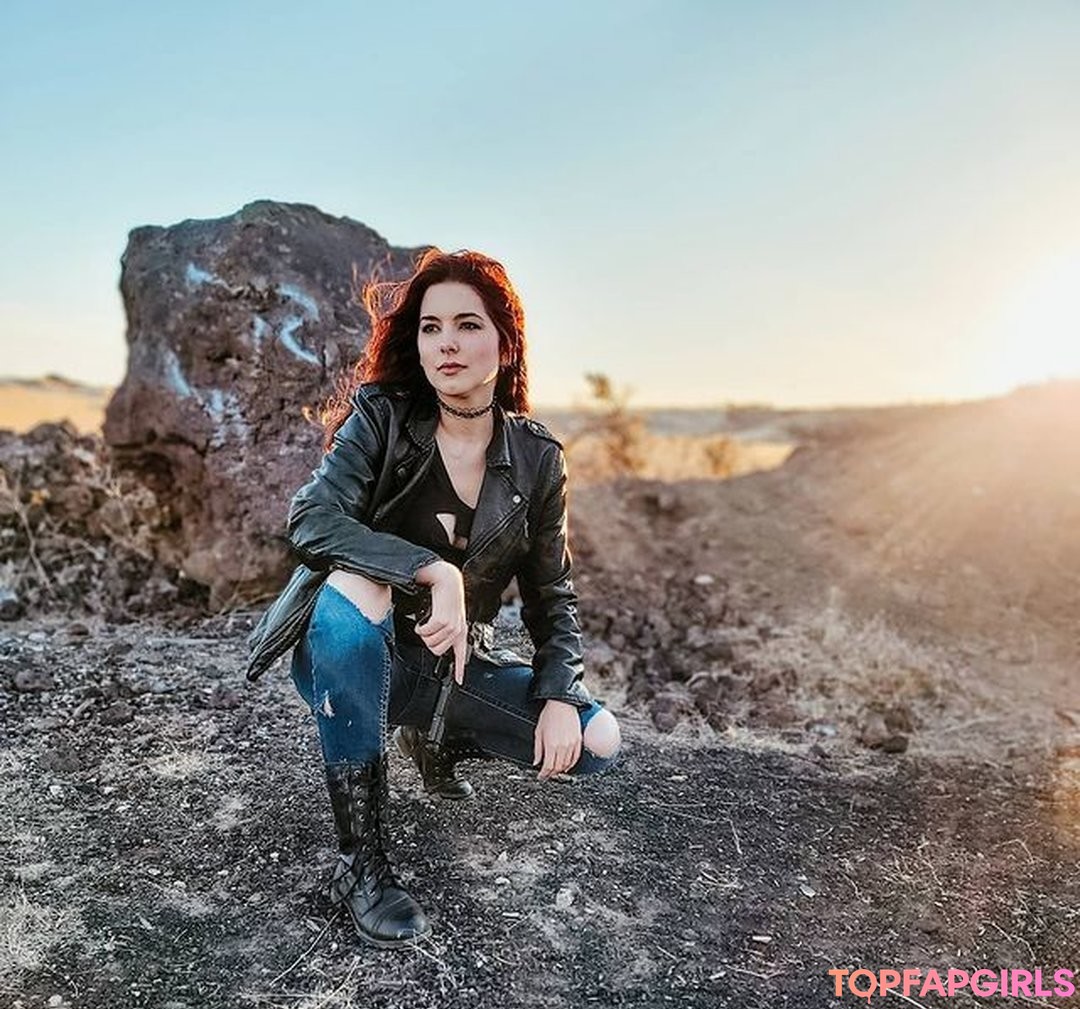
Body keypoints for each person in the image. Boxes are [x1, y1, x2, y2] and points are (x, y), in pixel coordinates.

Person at [245, 248, 622, 949]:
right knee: (357, 580)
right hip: (353, 649)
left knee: (598, 741)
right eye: (431, 327)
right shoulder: (381, 416)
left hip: (447, 666)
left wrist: (560, 693)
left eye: (468, 325)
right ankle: (361, 865)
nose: (446, 342)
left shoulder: (538, 458)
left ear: (505, 345)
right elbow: (313, 519)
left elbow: (553, 594)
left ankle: (434, 737)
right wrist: (430, 569)